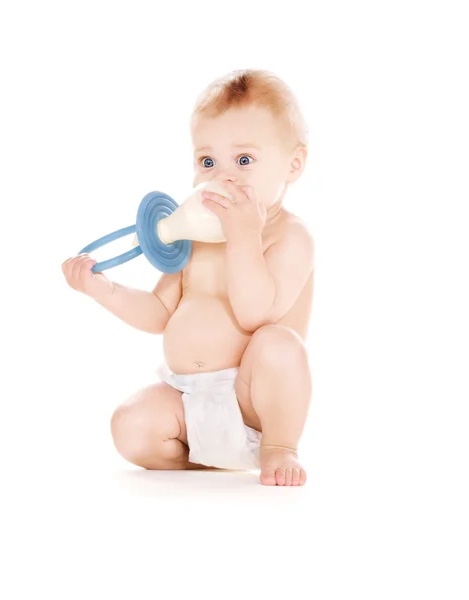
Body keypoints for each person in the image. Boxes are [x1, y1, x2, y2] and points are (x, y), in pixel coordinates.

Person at [61, 69, 315, 486]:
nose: (223, 176)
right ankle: (200, 459)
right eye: (208, 161)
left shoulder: (291, 236)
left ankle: (279, 448)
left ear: (293, 164)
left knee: (278, 345)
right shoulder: (195, 236)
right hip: (190, 398)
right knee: (130, 424)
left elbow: (255, 313)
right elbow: (160, 312)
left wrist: (244, 237)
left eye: (244, 160)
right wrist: (102, 290)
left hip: (252, 400)